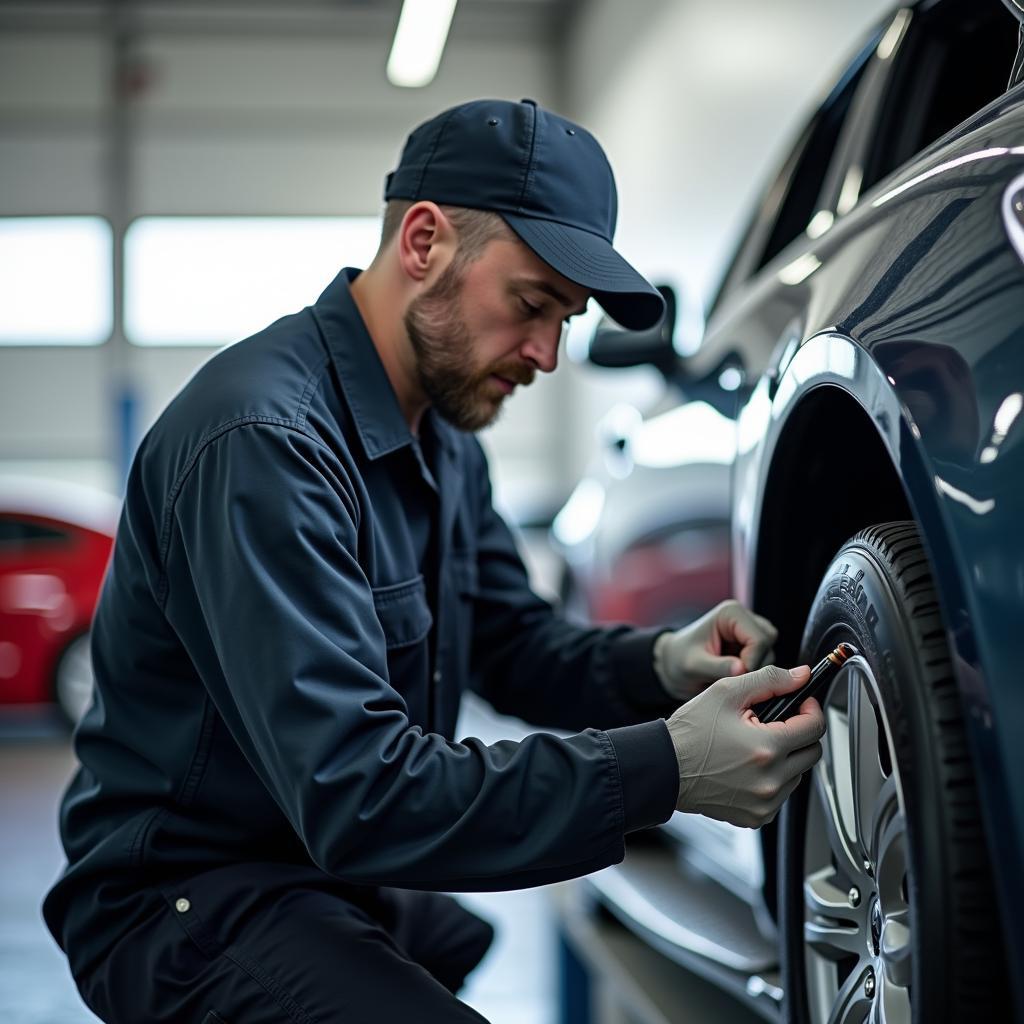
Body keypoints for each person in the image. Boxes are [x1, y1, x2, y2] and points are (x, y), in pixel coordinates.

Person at [44, 98, 826, 1023]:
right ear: (423, 243)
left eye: (565, 320)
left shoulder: (446, 439)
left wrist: (658, 666)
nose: (544, 353)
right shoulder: (264, 444)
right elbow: (360, 791)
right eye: (531, 304)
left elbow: (512, 642)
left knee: (448, 937)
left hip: (326, 870)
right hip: (191, 898)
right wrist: (667, 768)